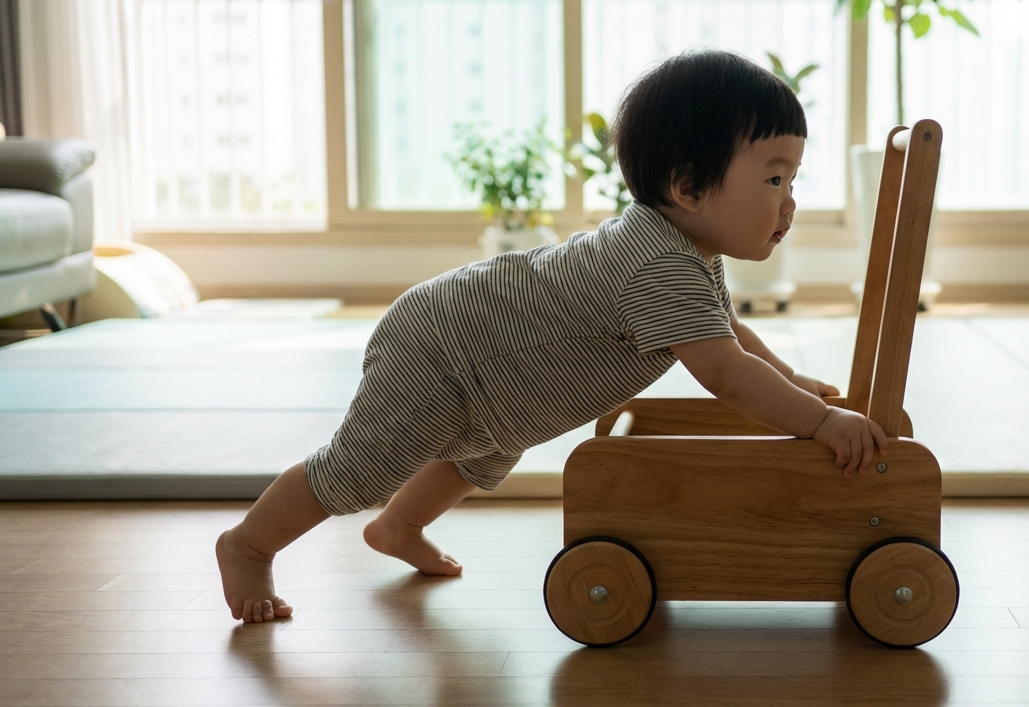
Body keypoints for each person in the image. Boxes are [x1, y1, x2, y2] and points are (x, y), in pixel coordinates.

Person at [215, 50, 888, 623]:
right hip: (445, 350)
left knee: (477, 455)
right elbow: (724, 372)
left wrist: (794, 381)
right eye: (773, 177)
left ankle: (399, 527)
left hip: (497, 374)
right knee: (361, 469)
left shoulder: (688, 256)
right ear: (687, 186)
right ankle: (249, 545)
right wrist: (821, 421)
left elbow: (728, 335)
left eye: (792, 178)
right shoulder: (657, 264)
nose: (789, 201)